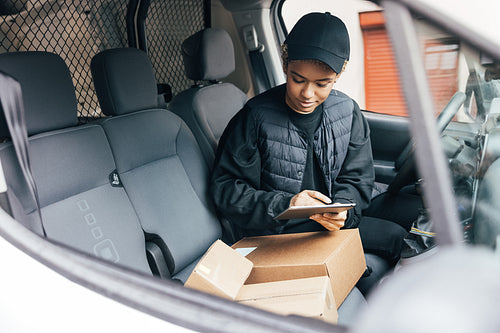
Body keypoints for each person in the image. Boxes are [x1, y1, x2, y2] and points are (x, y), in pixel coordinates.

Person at [210, 12, 374, 238]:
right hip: (278, 235)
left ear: (338, 75)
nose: (307, 94)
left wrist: (344, 209)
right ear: (285, 64)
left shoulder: (348, 111)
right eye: (298, 80)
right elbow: (227, 189)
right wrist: (286, 204)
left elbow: (357, 179)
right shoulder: (253, 117)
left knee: (401, 234)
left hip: (332, 230)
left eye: (322, 84)